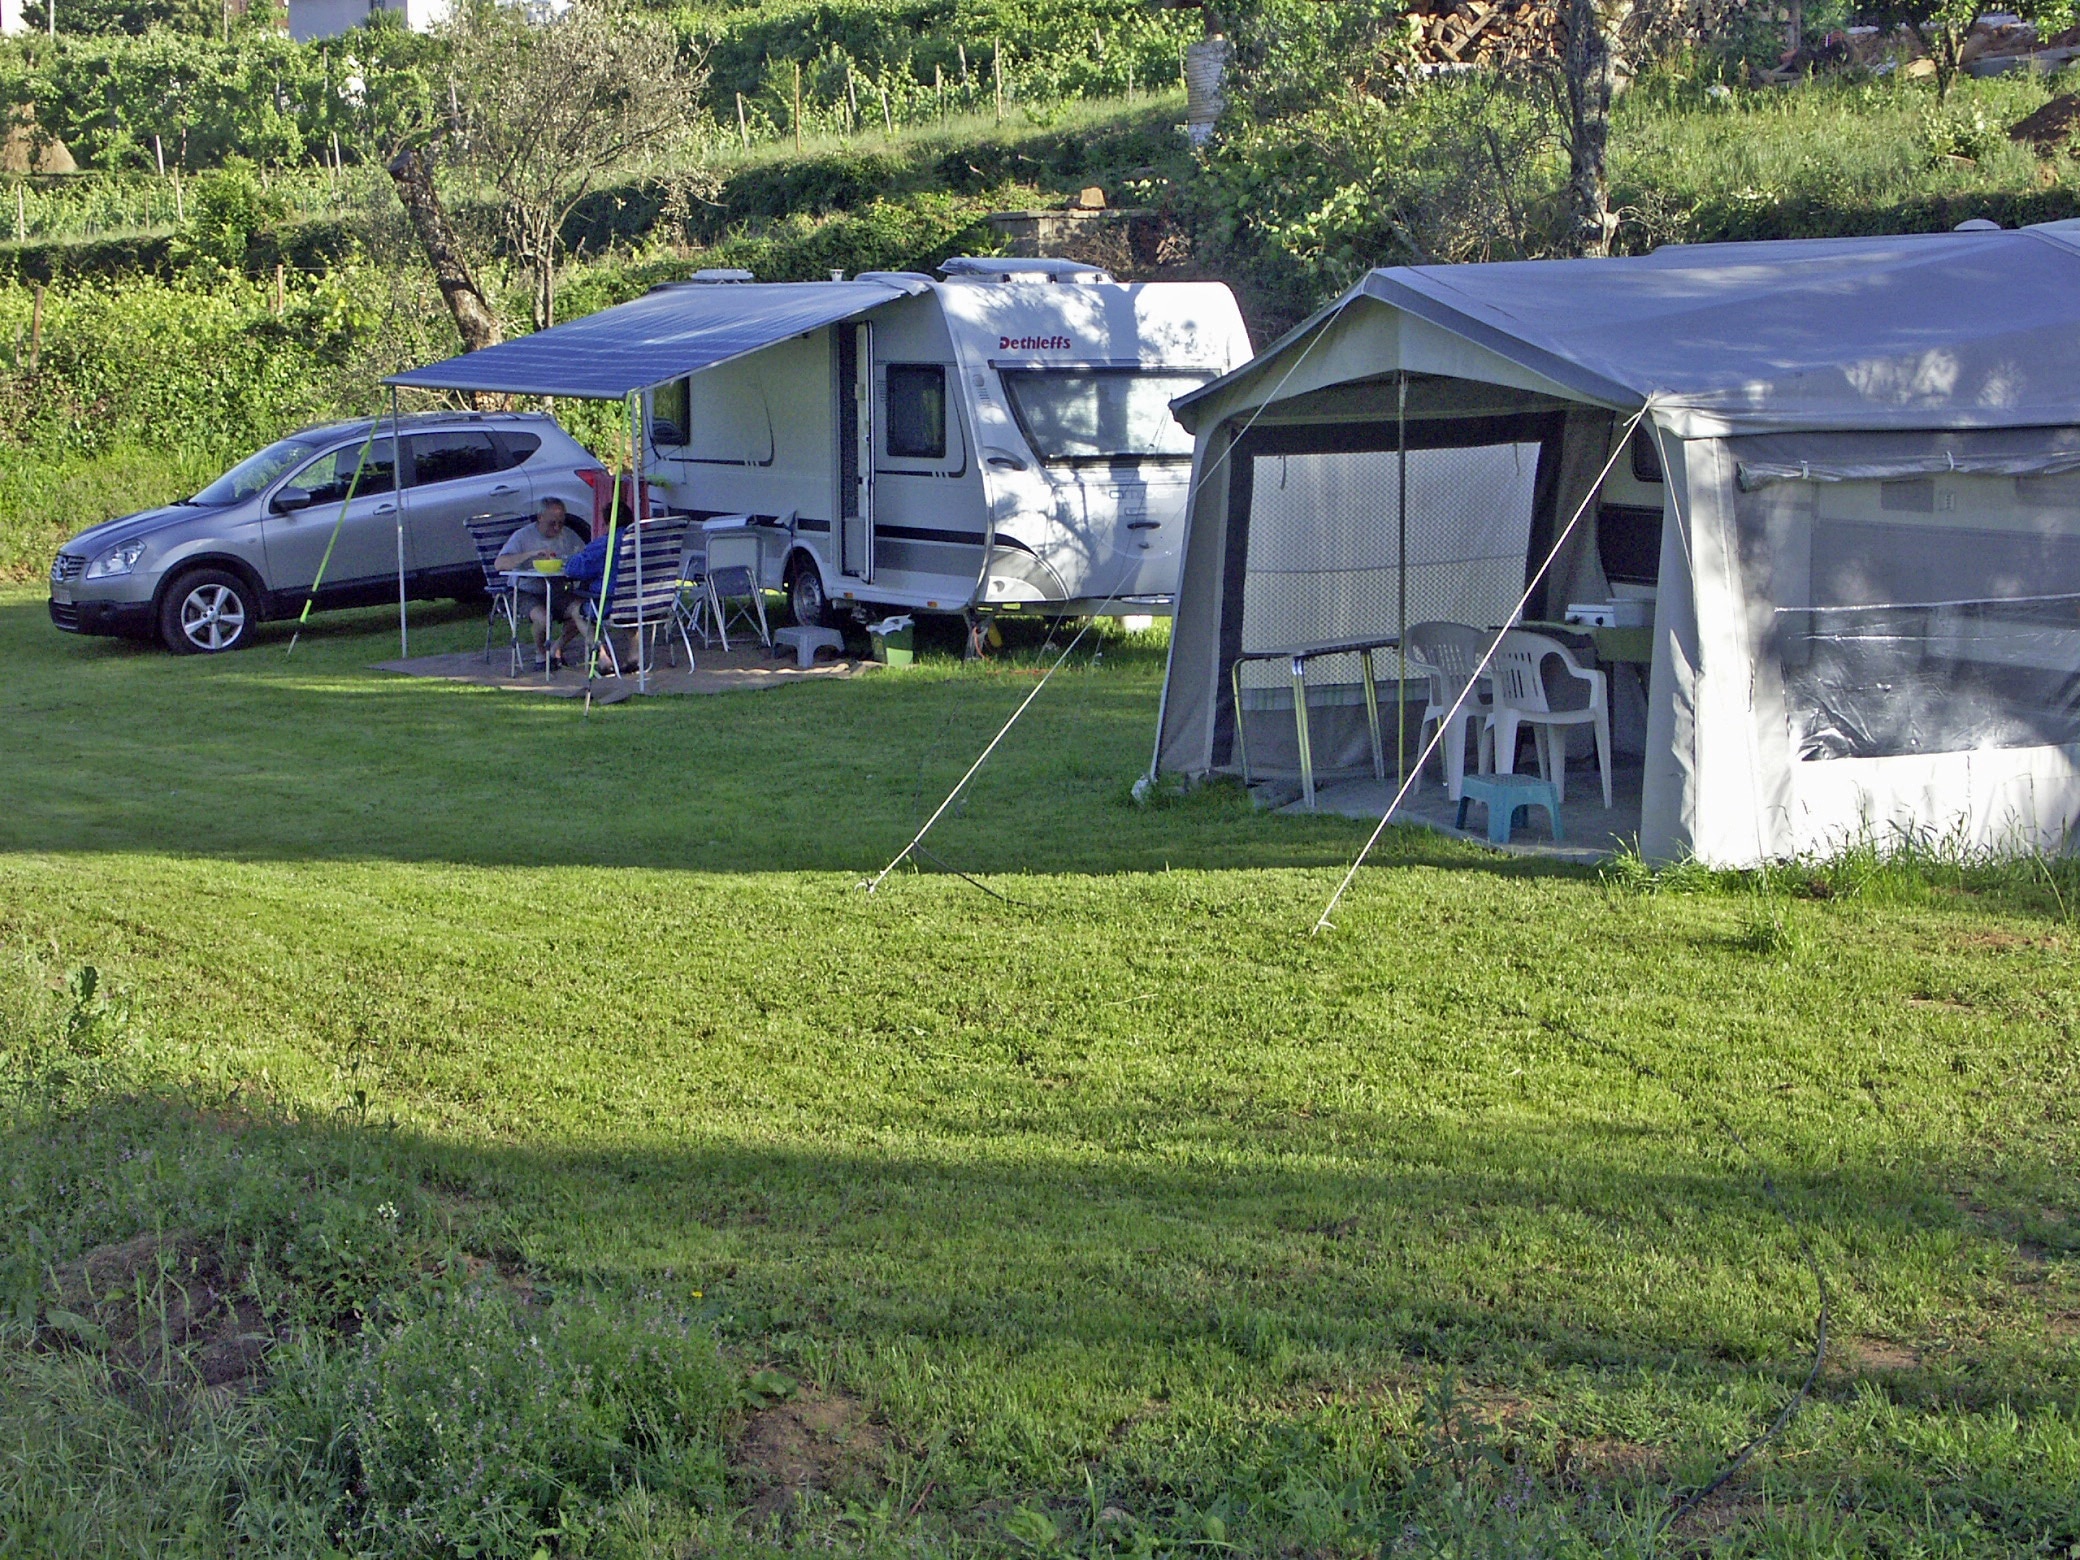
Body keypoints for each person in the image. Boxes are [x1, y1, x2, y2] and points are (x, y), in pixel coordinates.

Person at [494, 499, 585, 667]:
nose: (557, 528)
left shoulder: (568, 535)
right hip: (525, 590)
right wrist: (530, 555)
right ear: (540, 517)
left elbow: (584, 556)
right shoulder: (522, 536)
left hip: (556, 588)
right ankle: (540, 653)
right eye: (552, 523)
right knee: (543, 618)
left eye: (560, 523)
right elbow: (499, 564)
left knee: (583, 612)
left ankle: (557, 648)